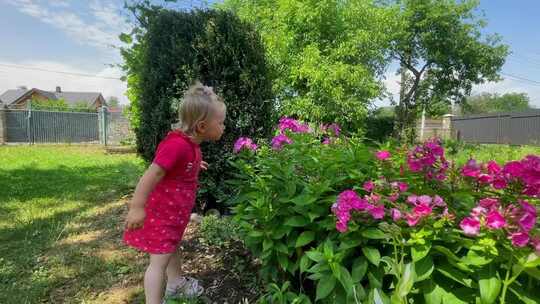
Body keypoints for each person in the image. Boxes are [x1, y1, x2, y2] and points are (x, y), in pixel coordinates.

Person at [123, 82, 226, 304]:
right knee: (158, 264)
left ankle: (176, 283)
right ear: (201, 126)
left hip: (173, 216)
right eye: (220, 122)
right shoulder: (176, 146)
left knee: (171, 248)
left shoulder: (191, 146)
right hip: (162, 215)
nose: (223, 126)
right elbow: (152, 174)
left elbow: (178, 168)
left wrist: (195, 165)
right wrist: (137, 207)